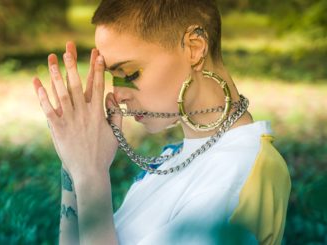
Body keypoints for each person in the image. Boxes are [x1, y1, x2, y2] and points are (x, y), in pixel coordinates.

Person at [32, 0, 291, 244]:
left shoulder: (238, 175)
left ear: (194, 48)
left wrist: (91, 176)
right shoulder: (177, 157)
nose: (118, 94)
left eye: (130, 73)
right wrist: (74, 164)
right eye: (114, 76)